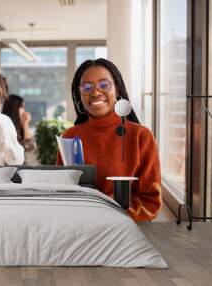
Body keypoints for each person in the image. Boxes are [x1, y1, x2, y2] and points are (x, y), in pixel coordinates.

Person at [56, 58, 162, 222]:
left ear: (118, 89)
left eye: (104, 85)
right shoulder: (69, 137)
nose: (95, 93)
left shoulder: (140, 136)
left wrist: (104, 208)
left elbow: (150, 202)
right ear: (79, 93)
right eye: (87, 87)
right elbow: (61, 194)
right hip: (78, 230)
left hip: (122, 234)